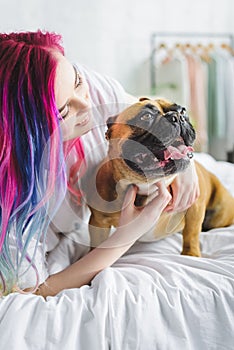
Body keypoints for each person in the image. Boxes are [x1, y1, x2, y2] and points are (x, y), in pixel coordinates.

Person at [0, 31, 199, 298]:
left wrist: (184, 160)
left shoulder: (89, 88)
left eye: (78, 82)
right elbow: (33, 291)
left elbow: (143, 107)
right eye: (63, 110)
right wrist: (125, 236)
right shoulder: (13, 200)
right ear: (25, 132)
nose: (87, 104)